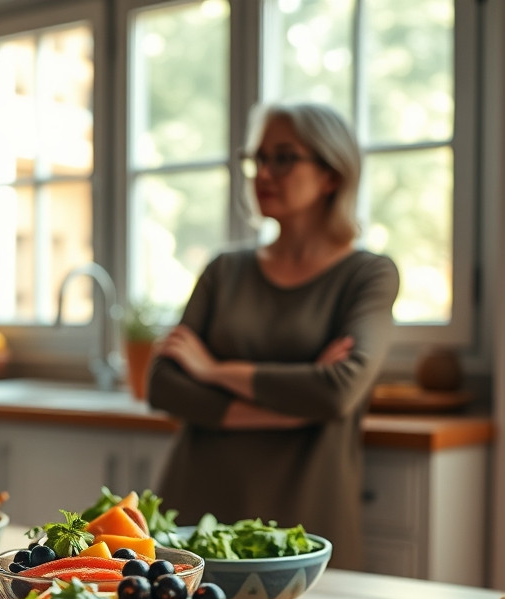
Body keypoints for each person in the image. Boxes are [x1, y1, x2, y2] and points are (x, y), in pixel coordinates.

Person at [146, 102, 400, 569]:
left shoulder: (369, 275)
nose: (264, 173)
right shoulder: (225, 270)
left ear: (331, 175)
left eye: (283, 158)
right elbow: (162, 383)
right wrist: (288, 411)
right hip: (192, 510)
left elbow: (337, 390)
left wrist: (215, 370)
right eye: (258, 159)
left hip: (305, 520)